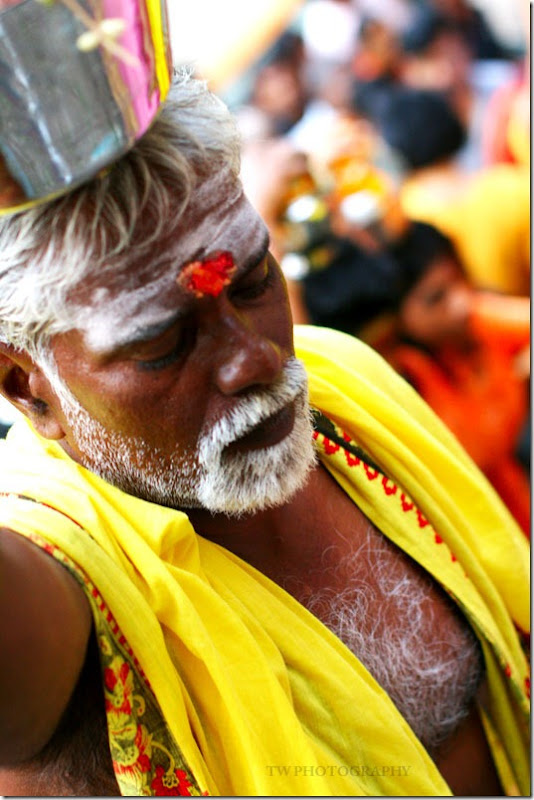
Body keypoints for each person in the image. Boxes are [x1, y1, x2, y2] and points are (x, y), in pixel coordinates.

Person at [0, 74, 529, 797]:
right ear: (28, 387)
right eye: (164, 343)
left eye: (253, 284)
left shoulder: (342, 377)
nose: (254, 357)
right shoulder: (60, 585)